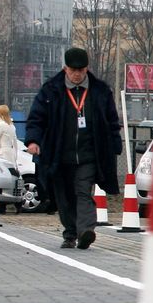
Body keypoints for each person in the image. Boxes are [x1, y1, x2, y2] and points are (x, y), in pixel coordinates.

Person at [24, 47, 122, 250]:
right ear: (65, 68)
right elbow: (36, 118)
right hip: (59, 154)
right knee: (64, 196)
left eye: (81, 70)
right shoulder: (51, 90)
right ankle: (70, 233)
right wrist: (33, 141)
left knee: (83, 191)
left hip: (89, 154)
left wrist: (114, 143)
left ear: (87, 69)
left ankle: (86, 230)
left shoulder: (100, 91)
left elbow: (112, 121)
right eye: (72, 70)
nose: (77, 74)